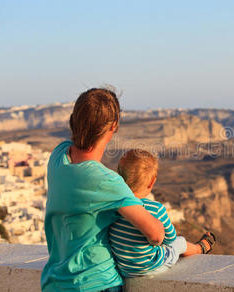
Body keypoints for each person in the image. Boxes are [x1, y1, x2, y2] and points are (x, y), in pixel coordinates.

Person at [41, 88, 165, 292]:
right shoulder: (107, 181)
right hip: (96, 283)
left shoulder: (58, 156)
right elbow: (156, 234)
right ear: (114, 127)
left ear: (73, 121)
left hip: (54, 283)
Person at [109, 149, 216, 277]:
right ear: (152, 182)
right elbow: (170, 238)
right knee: (180, 242)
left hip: (124, 269)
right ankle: (200, 248)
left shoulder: (113, 205)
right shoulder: (156, 208)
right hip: (151, 267)